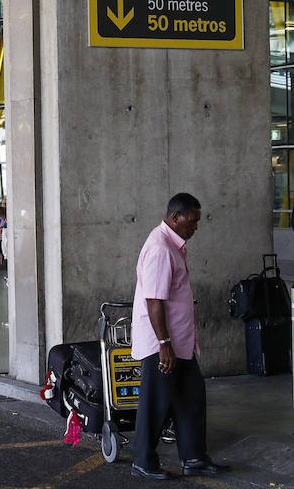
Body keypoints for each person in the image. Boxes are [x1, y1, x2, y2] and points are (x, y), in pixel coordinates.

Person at [130, 192, 230, 480]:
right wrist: (164, 345)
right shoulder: (161, 248)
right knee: (156, 402)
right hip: (163, 344)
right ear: (176, 217)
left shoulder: (174, 245)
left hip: (179, 343)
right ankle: (143, 461)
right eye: (192, 220)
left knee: (191, 398)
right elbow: (154, 300)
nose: (196, 226)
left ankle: (194, 457)